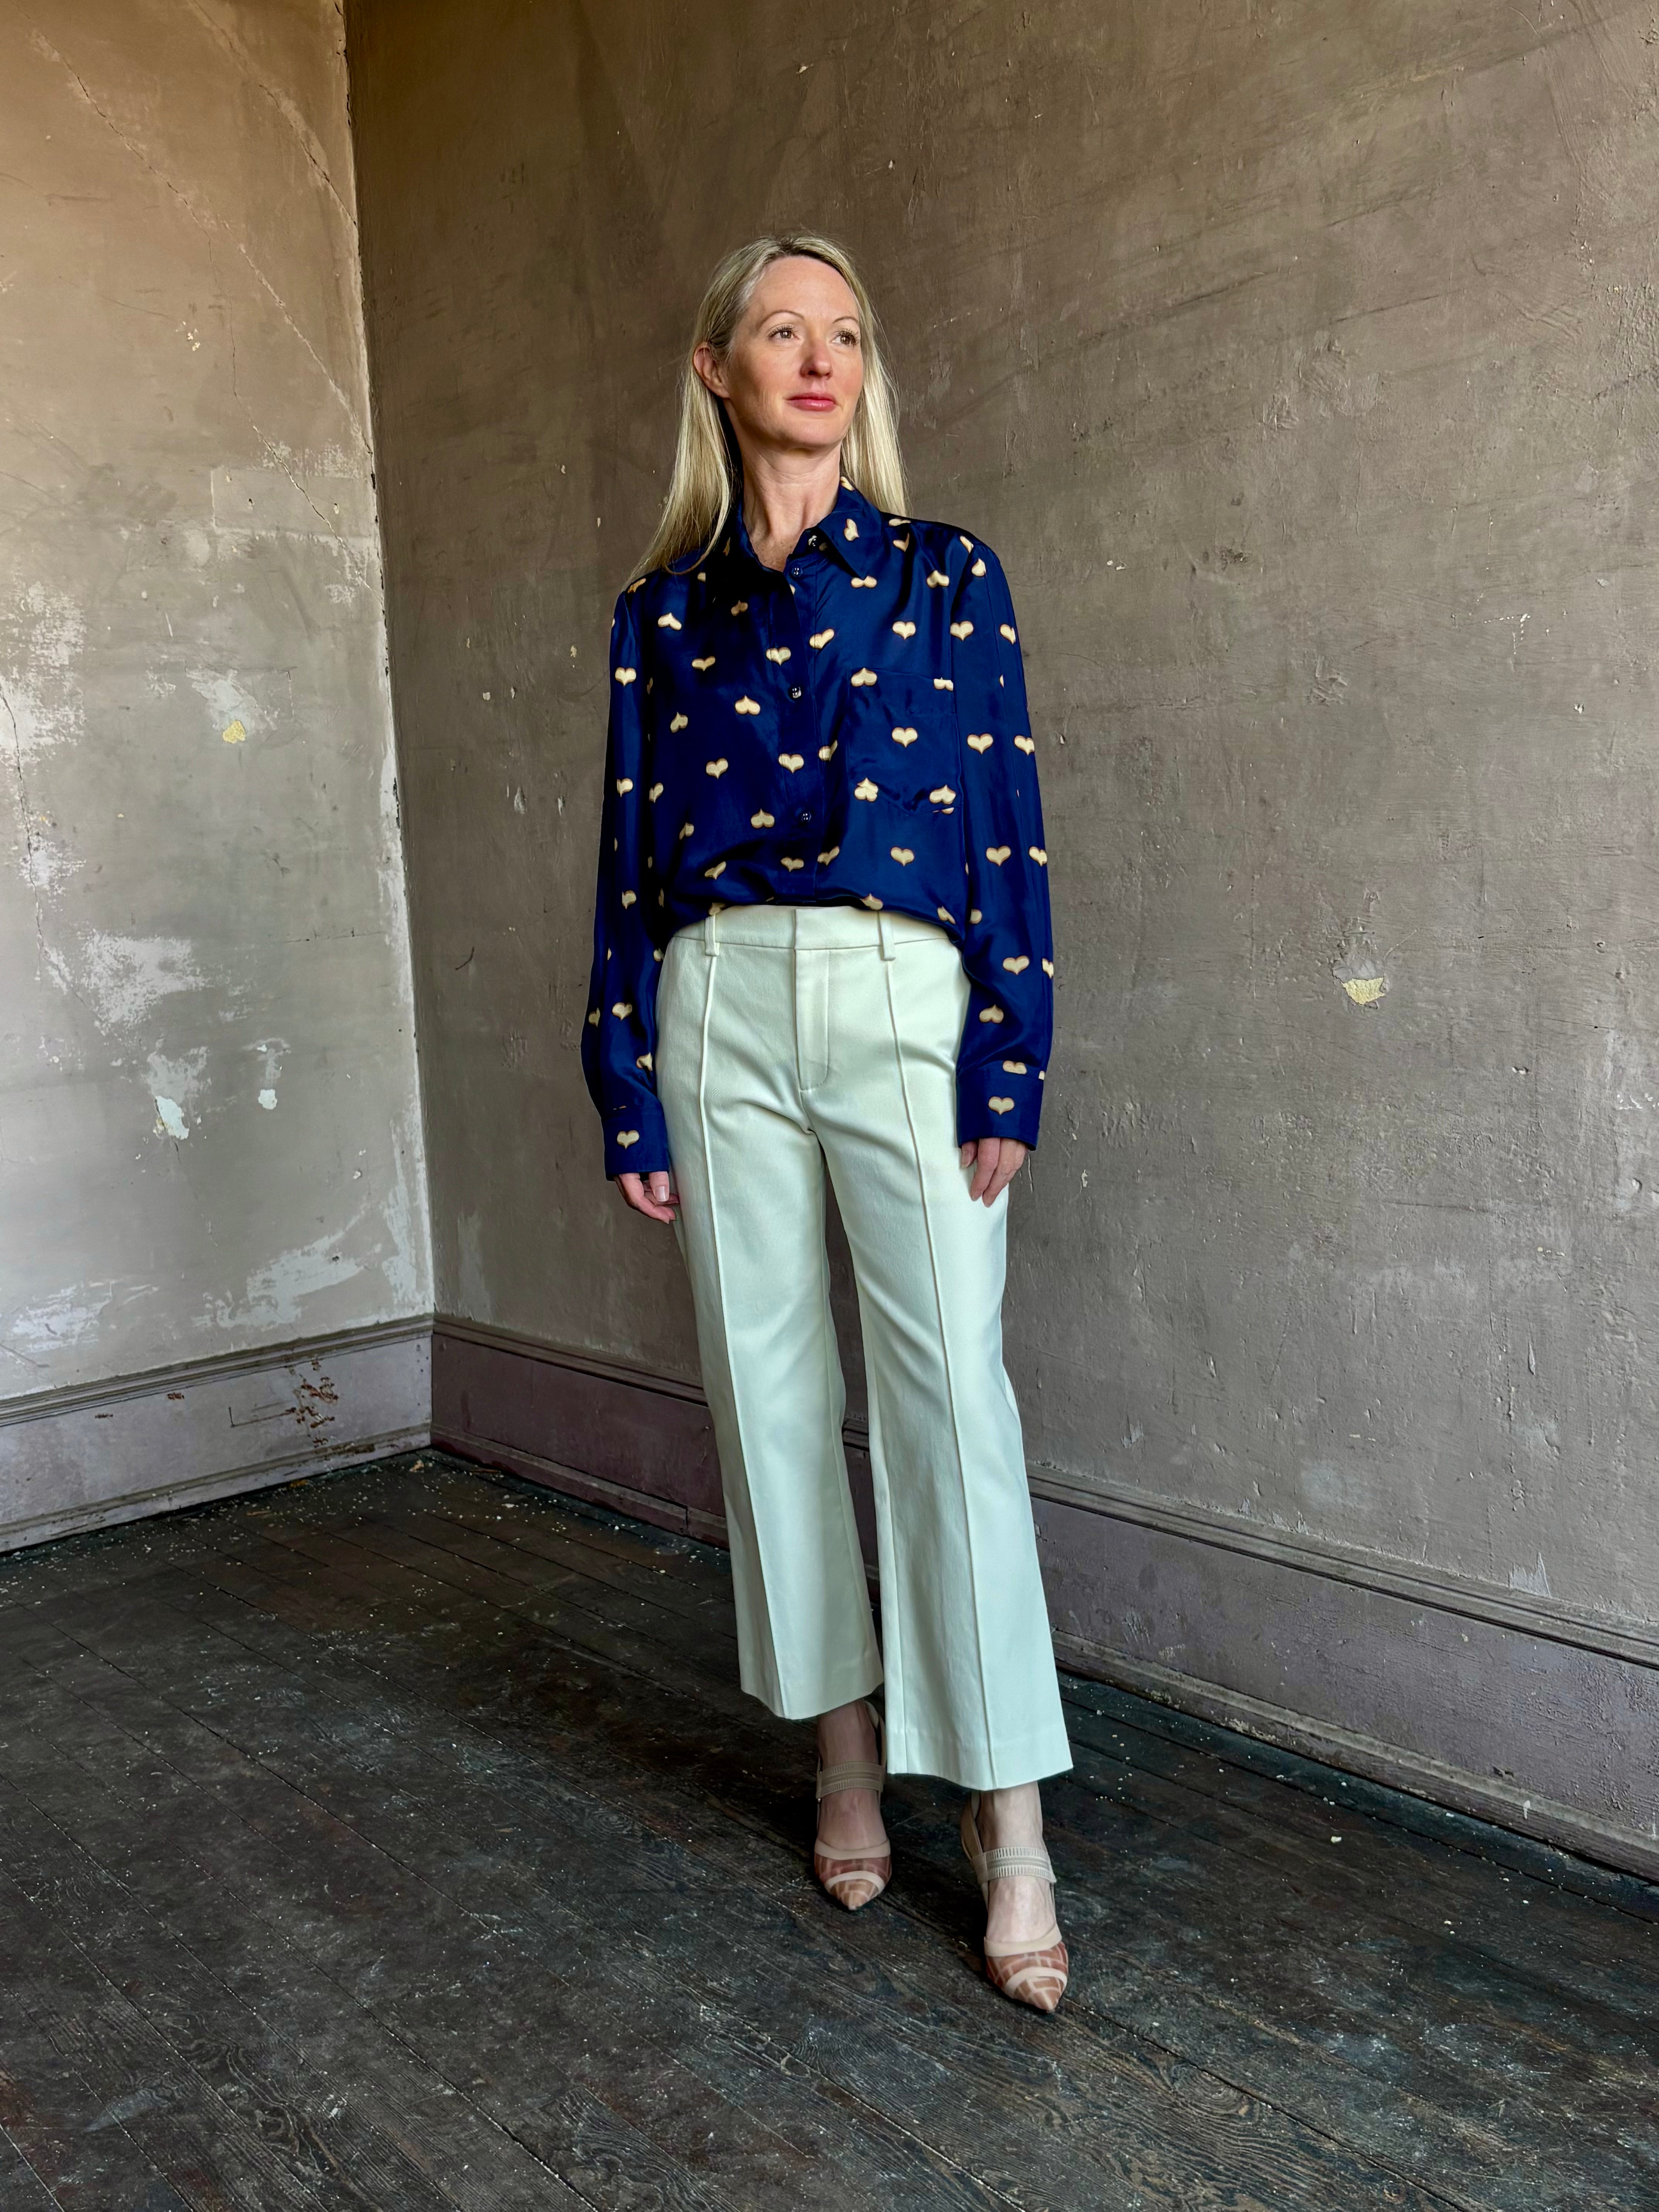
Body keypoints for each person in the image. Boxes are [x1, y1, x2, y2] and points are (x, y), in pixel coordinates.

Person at [581, 233, 1072, 2012]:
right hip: (718, 1001)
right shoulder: (662, 613)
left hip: (897, 995)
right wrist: (622, 1068)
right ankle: (843, 1750)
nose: (819, 358)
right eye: (781, 331)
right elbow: (629, 863)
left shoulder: (947, 578)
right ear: (716, 366)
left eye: (846, 332)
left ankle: (1010, 1817)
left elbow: (1006, 823)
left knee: (951, 1392)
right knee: (768, 1393)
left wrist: (1008, 1057)